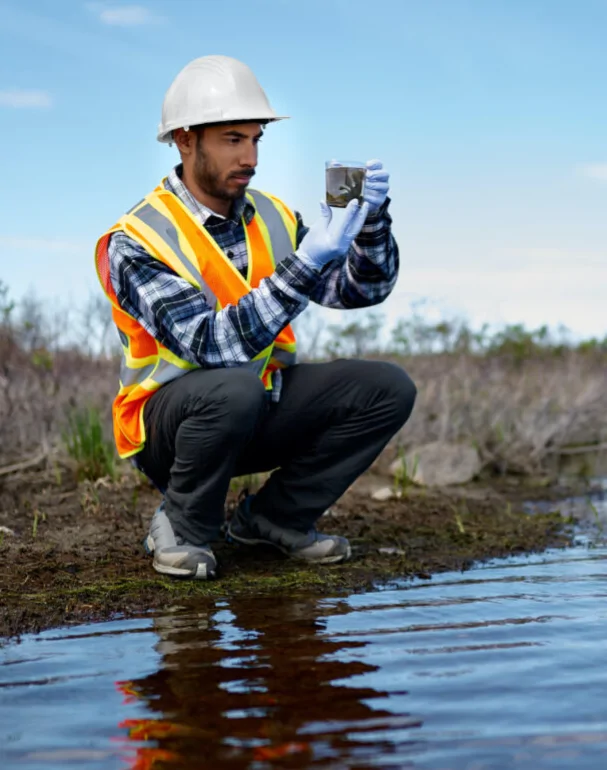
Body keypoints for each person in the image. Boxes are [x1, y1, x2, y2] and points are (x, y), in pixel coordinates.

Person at [94, 55, 417, 581]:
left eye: (256, 139)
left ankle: (273, 520)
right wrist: (308, 261)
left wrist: (371, 225)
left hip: (258, 405)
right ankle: (182, 527)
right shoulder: (136, 240)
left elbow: (362, 289)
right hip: (172, 429)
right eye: (232, 139)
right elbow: (209, 344)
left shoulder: (272, 215)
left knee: (386, 388)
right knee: (230, 388)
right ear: (184, 139)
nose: (250, 157)